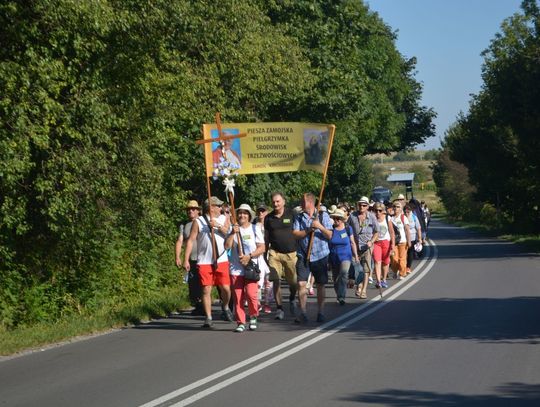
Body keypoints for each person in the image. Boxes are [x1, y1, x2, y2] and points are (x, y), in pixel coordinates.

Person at [184, 196, 233, 328]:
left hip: (221, 259)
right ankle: (209, 317)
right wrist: (186, 259)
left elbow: (228, 233)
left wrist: (216, 225)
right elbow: (190, 240)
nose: (220, 208)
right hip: (204, 261)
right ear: (211, 207)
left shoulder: (223, 218)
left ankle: (226, 305)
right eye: (217, 206)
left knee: (226, 289)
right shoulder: (198, 222)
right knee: (206, 289)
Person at [292, 193, 333, 323]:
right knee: (301, 283)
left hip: (320, 255)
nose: (300, 203)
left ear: (309, 202)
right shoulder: (298, 217)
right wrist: (309, 230)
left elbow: (330, 235)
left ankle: (320, 312)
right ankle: (303, 312)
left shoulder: (323, 215)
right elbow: (295, 234)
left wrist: (319, 226)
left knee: (320, 284)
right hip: (303, 255)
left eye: (302, 201)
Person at [225, 204, 265, 332]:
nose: (242, 215)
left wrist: (250, 256)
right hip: (236, 268)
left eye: (245, 213)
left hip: (250, 268)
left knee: (251, 295)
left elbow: (262, 248)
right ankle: (240, 322)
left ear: (249, 216)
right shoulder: (233, 229)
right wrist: (232, 233)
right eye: (240, 213)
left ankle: (253, 316)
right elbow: (226, 246)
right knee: (238, 297)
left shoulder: (254, 229)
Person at [264, 192, 298, 320]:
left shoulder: (292, 214)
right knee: (275, 279)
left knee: (293, 282)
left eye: (278, 201)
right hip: (275, 253)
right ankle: (279, 308)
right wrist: (264, 255)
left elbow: (298, 231)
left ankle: (292, 297)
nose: (275, 204)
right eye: (273, 202)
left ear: (283, 201)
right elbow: (266, 238)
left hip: (291, 254)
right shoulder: (269, 218)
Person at [175, 200, 203, 315]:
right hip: (191, 259)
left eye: (193, 209)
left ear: (198, 211)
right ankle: (198, 305)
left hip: (203, 258)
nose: (190, 211)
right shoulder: (184, 225)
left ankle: (208, 306)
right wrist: (177, 257)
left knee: (204, 284)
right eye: (188, 209)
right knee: (193, 284)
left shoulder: (203, 222)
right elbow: (180, 240)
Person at [348, 196, 380, 298]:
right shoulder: (352, 216)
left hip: (367, 247)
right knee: (356, 268)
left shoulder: (372, 217)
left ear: (367, 207)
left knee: (366, 269)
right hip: (355, 247)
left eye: (364, 205)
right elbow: (347, 228)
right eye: (360, 205)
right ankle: (359, 285)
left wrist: (371, 241)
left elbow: (377, 232)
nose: (361, 207)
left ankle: (364, 290)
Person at [328, 208, 359, 305]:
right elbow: (328, 244)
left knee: (344, 274)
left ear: (342, 219)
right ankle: (339, 295)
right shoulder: (331, 230)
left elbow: (352, 243)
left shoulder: (347, 228)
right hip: (334, 257)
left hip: (346, 256)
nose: (336, 220)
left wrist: (356, 256)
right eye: (335, 218)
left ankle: (341, 297)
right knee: (336, 279)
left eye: (338, 218)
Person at [372, 202, 395, 293]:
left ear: (383, 211)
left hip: (386, 242)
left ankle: (384, 279)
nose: (378, 212)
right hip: (376, 242)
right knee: (377, 261)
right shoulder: (372, 219)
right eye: (376, 210)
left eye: (380, 210)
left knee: (386, 261)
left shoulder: (387, 218)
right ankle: (378, 280)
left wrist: (393, 245)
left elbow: (392, 232)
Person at [255, 203, 273, 314]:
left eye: (263, 211)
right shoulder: (254, 225)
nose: (261, 213)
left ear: (266, 212)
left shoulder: (270, 224)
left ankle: (267, 303)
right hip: (258, 256)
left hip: (269, 254)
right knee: (257, 281)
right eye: (259, 211)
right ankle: (257, 303)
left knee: (269, 282)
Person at [390, 200, 411, 280]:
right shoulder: (390, 219)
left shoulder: (403, 217)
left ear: (401, 208)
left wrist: (409, 242)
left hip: (403, 241)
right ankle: (395, 271)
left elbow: (407, 230)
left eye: (398, 207)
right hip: (394, 242)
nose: (396, 208)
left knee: (402, 259)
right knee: (394, 258)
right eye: (394, 206)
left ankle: (402, 273)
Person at [404, 203, 422, 274]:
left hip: (412, 237)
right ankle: (403, 266)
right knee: (404, 253)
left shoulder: (414, 217)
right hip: (403, 238)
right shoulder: (402, 217)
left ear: (411, 211)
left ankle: (408, 267)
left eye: (408, 212)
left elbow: (418, 228)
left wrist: (420, 238)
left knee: (410, 253)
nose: (406, 213)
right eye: (405, 212)